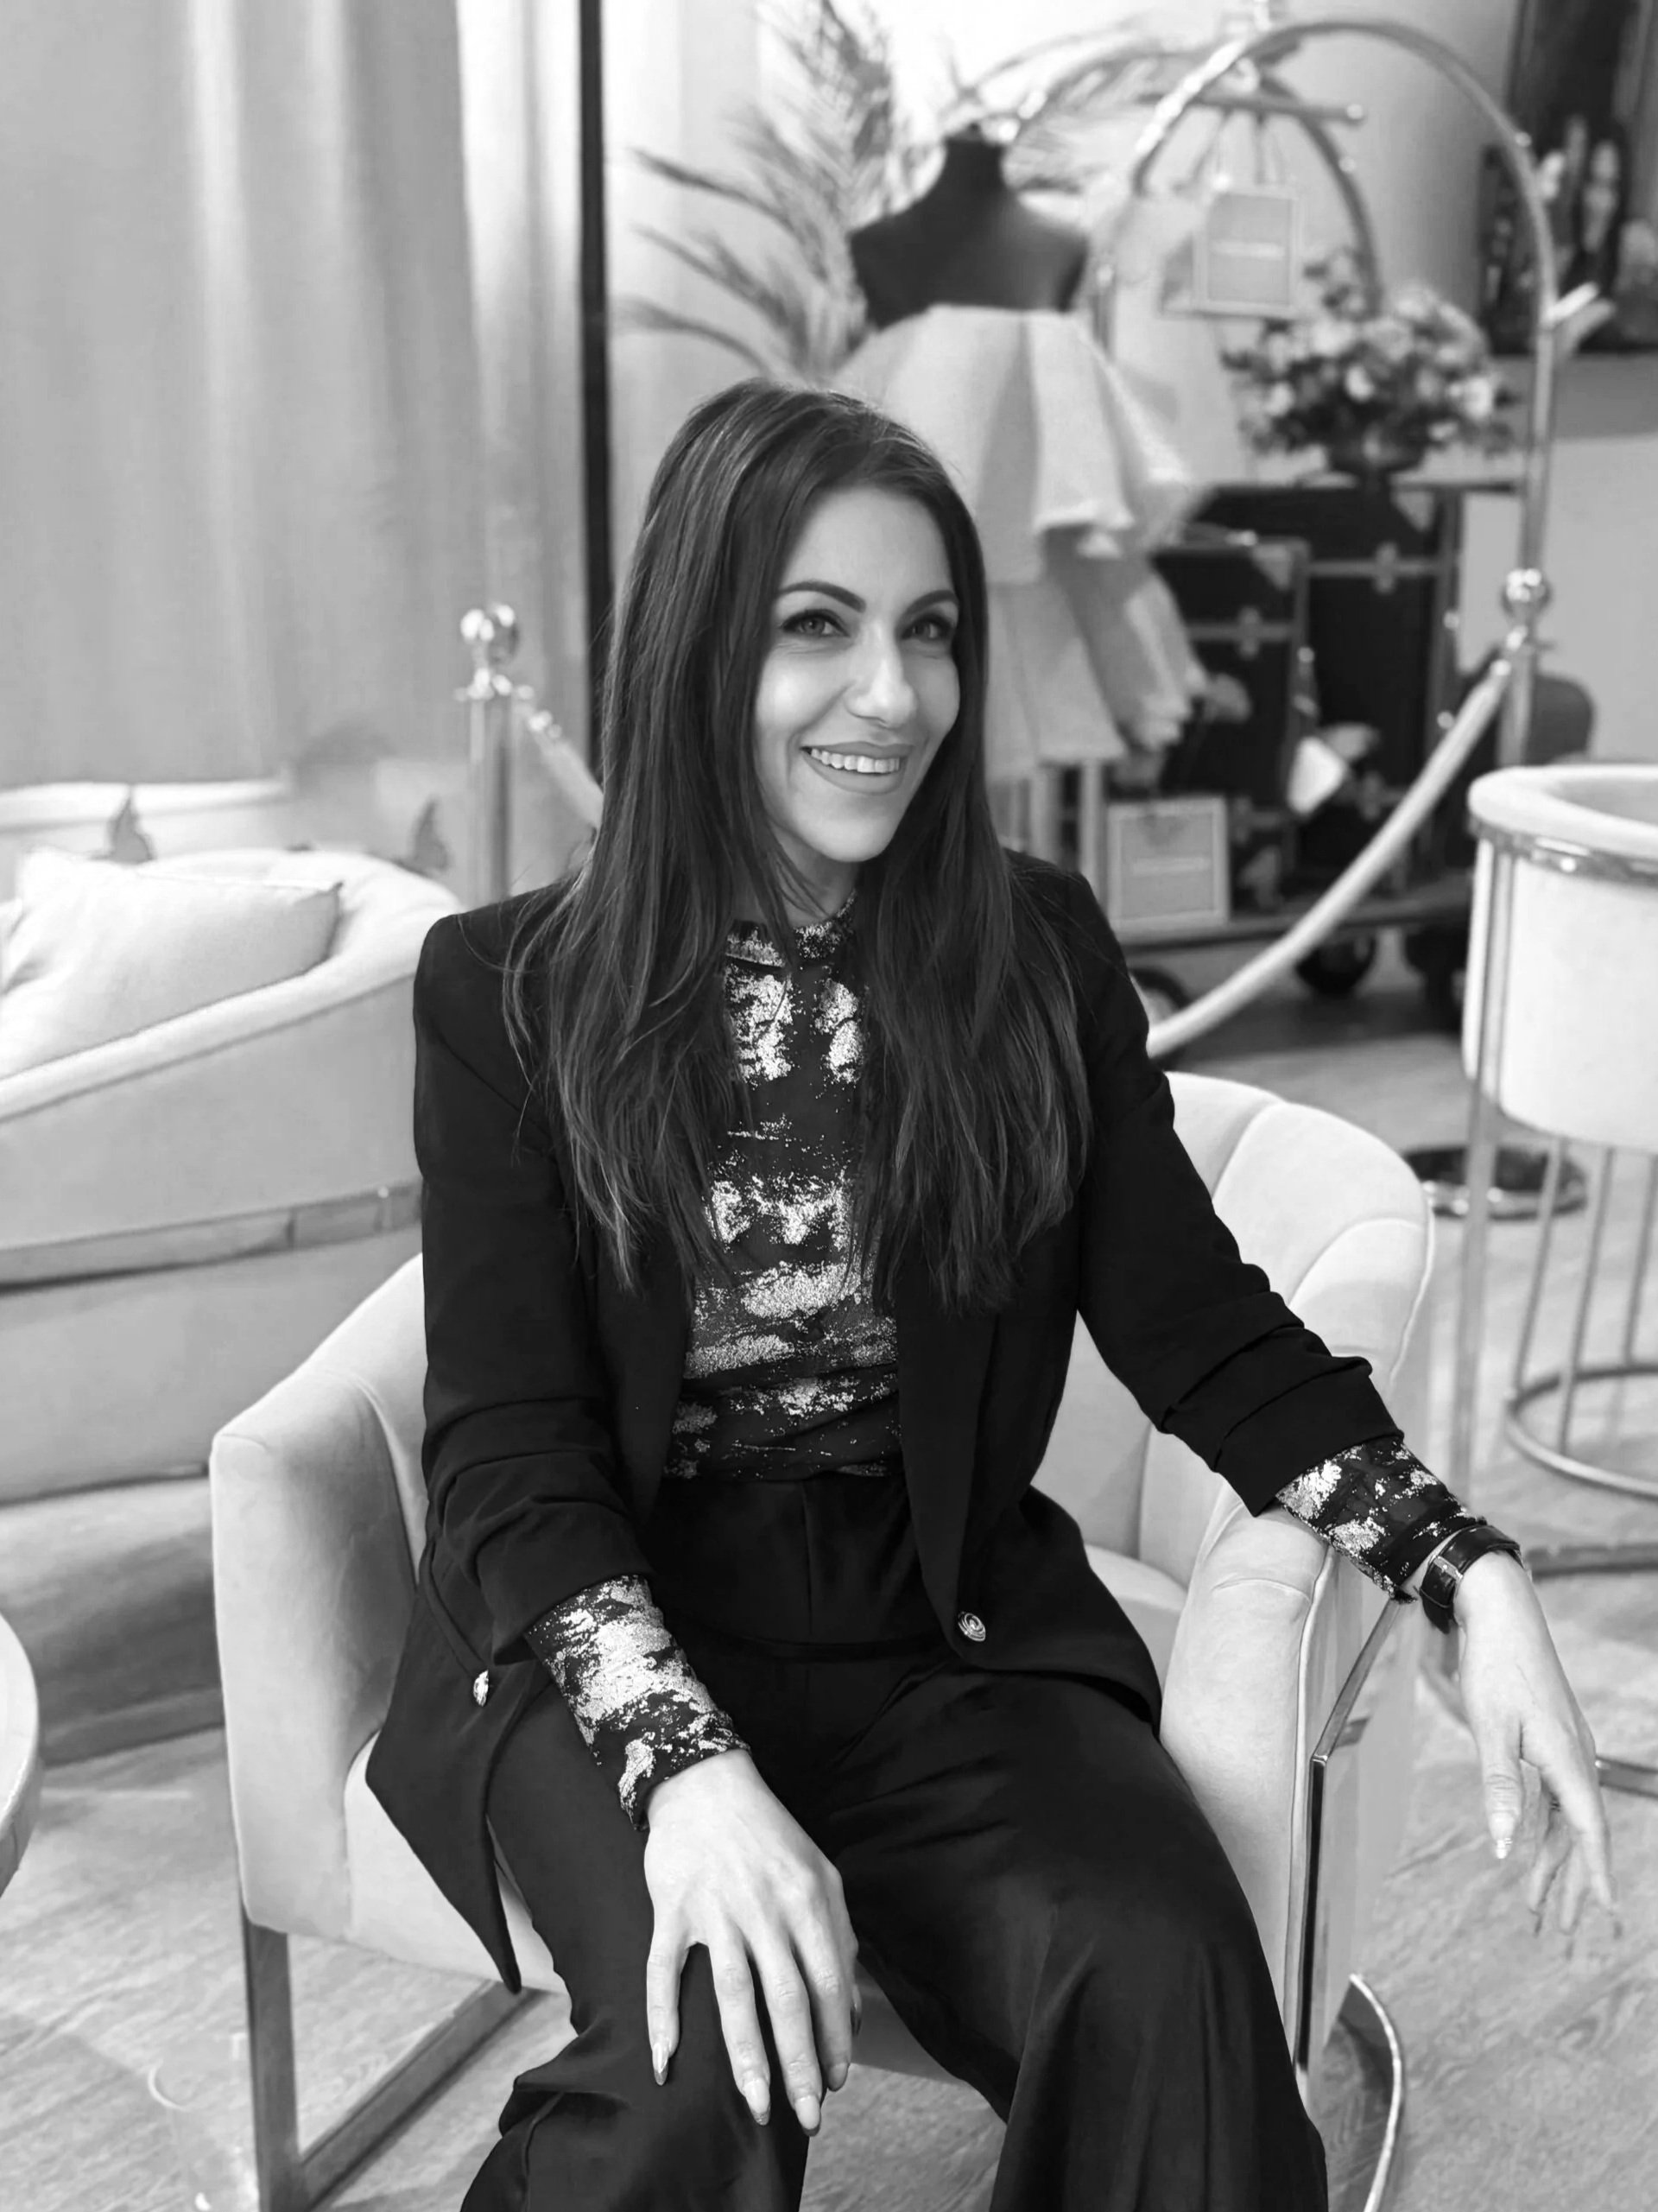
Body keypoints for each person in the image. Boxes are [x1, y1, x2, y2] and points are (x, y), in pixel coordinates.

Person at [366, 379, 1617, 2211]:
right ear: (699, 647)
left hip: (932, 1618)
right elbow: (507, 1444)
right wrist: (689, 1773)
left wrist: (1464, 1563)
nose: (893, 695)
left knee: (1160, 1966)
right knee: (706, 2050)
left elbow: (1196, 1320)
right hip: (602, 1621)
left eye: (929, 633)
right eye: (817, 628)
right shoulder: (508, 991)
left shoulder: (1027, 952)